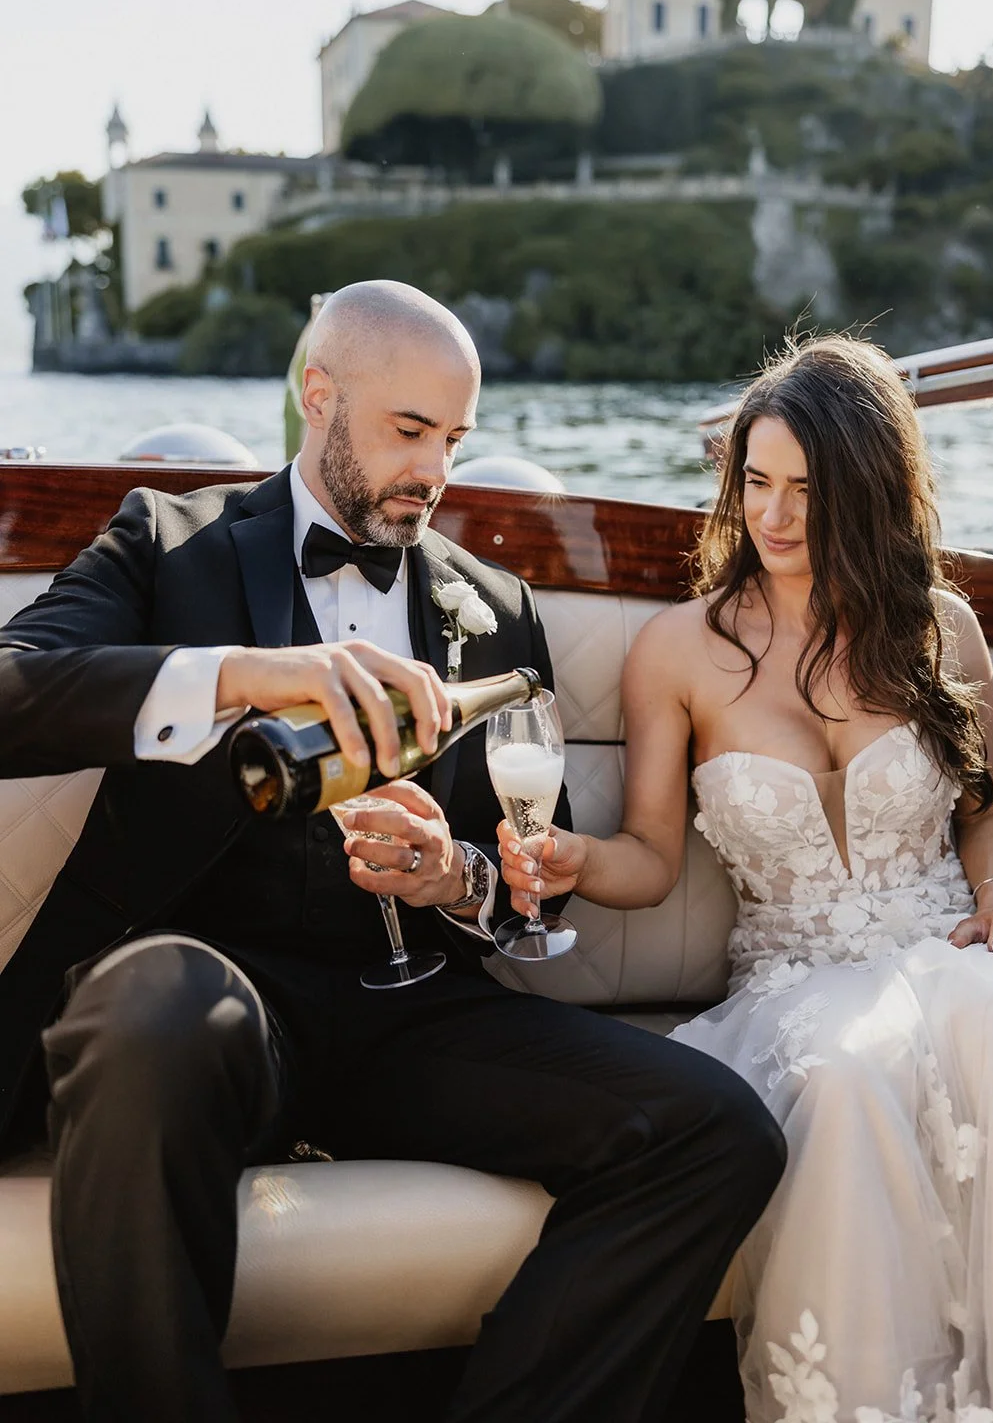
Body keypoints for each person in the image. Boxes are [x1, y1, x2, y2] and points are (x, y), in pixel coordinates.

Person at [0, 280, 785, 1423]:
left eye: (454, 439)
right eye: (409, 430)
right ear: (318, 395)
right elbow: (12, 690)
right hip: (208, 1000)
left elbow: (529, 886)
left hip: (411, 1014)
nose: (433, 471)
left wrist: (453, 875)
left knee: (719, 1133)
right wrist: (249, 674)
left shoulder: (494, 604)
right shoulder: (167, 541)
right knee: (149, 1005)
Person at [499, 334, 993, 1423]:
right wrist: (572, 860)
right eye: (755, 482)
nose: (772, 513)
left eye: (806, 488)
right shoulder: (677, 649)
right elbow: (649, 856)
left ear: (868, 488)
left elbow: (985, 812)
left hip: (947, 946)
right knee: (845, 1079)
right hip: (799, 981)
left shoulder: (937, 627)